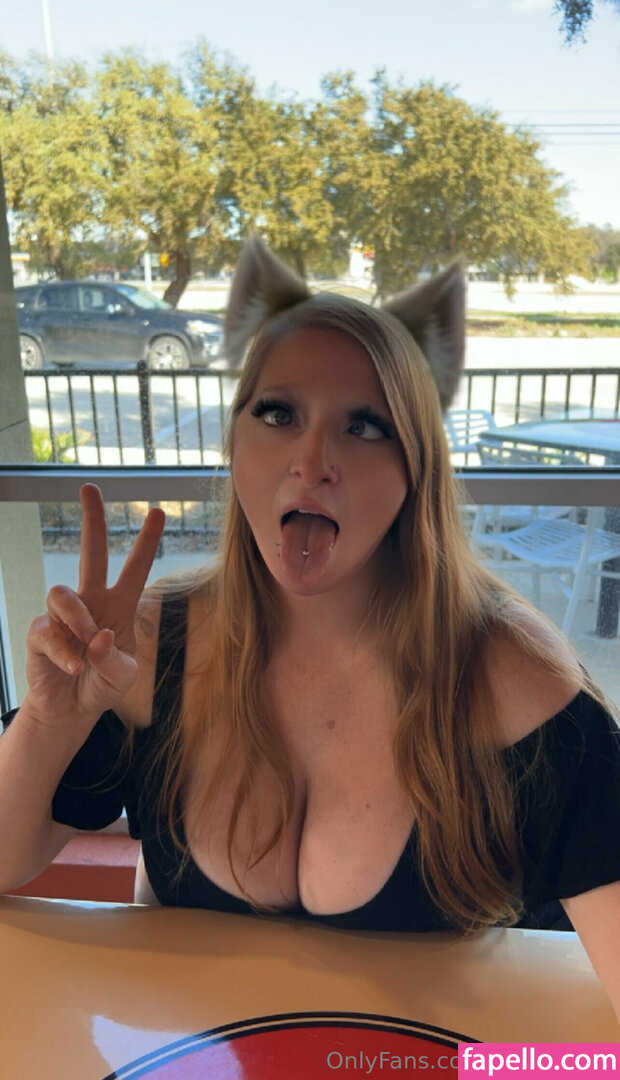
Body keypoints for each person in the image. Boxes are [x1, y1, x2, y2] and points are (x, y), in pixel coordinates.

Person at [1, 237, 619, 1018]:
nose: (312, 459)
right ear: (236, 443)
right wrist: (50, 720)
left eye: (365, 427)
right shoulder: (146, 648)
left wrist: (511, 1073)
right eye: (279, 414)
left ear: (415, 471)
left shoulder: (509, 676)